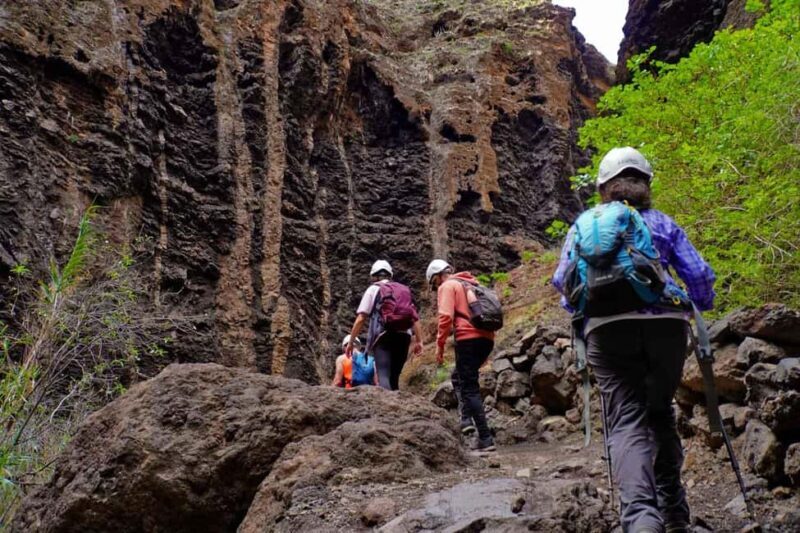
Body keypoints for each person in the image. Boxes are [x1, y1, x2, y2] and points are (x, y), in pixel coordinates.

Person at [553, 147, 716, 533]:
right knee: (660, 412)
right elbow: (700, 276)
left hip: (606, 333)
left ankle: (641, 521)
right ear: (646, 184)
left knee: (626, 421)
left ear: (603, 188)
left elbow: (564, 287)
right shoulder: (661, 223)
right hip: (665, 328)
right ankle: (676, 516)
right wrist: (700, 302)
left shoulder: (584, 225)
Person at [426, 259, 496, 452]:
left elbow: (446, 317)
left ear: (438, 276)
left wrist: (439, 347)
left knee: (469, 387)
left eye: (434, 284)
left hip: (467, 338)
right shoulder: (471, 284)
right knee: (459, 377)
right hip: (487, 338)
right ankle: (466, 420)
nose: (436, 287)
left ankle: (485, 438)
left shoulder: (448, 286)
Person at [346, 260, 423, 390]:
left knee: (384, 375)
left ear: (374, 276)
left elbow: (361, 318)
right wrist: (419, 341)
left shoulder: (373, 289)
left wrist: (351, 341)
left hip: (384, 336)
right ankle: (398, 407)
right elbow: (415, 318)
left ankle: (388, 408)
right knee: (395, 377)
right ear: (390, 275)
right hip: (404, 336)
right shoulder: (403, 290)